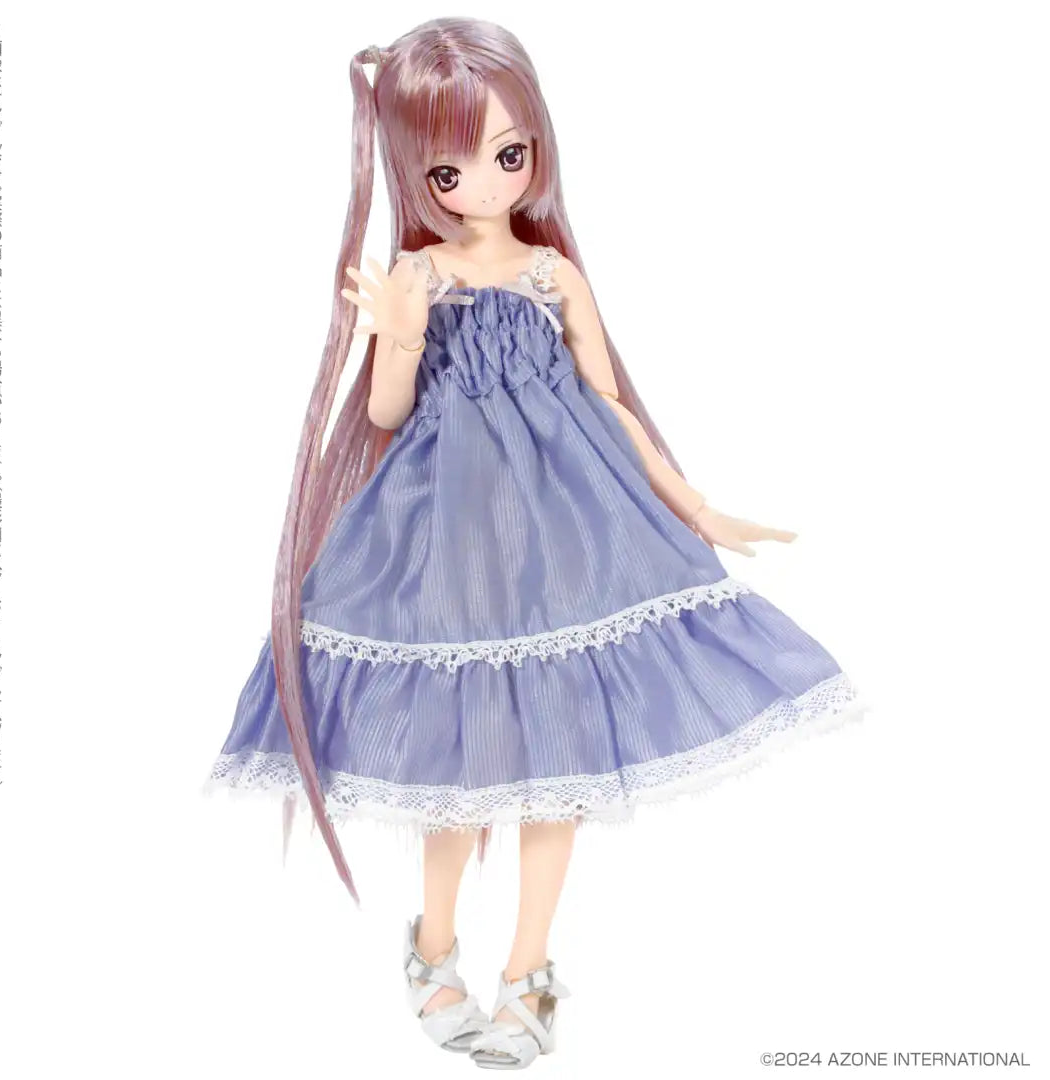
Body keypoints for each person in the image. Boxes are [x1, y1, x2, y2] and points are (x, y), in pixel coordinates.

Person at [203, 17, 868, 1068]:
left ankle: (528, 968)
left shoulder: (555, 273)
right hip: (449, 540)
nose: (486, 181)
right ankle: (433, 947)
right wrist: (399, 331)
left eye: (509, 152)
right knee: (459, 763)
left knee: (560, 765)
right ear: (418, 173)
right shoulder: (420, 277)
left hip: (568, 538)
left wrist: (696, 508)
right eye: (452, 167)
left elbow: (607, 402)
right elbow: (385, 415)